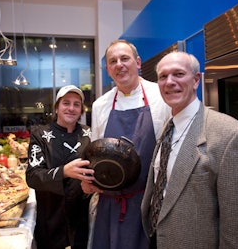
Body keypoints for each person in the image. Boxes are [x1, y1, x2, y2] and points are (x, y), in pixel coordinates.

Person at [141, 51, 238, 248]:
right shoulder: (168, 127)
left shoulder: (231, 136)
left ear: (196, 80)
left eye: (179, 74)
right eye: (163, 76)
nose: (169, 82)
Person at [81, 40, 170, 249]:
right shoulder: (100, 105)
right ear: (107, 69)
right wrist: (87, 181)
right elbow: (95, 154)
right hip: (109, 202)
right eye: (113, 61)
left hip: (148, 203)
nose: (119, 64)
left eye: (125, 58)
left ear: (138, 62)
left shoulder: (161, 96)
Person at [25, 85, 95, 249]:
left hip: (82, 217)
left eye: (76, 104)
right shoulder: (40, 135)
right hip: (51, 217)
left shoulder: (90, 134)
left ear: (81, 109)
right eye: (66, 103)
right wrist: (64, 171)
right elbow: (33, 176)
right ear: (57, 107)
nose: (71, 108)